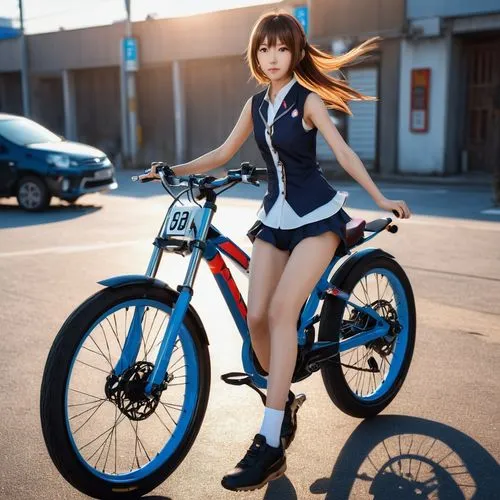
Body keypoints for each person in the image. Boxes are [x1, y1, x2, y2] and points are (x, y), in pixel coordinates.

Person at [141, 9, 411, 492]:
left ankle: (269, 443)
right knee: (257, 318)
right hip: (274, 220)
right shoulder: (256, 105)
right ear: (255, 53)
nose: (272, 57)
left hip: (316, 218)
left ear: (296, 52)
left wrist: (380, 198)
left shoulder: (307, 101)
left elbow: (343, 152)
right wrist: (172, 170)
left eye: (282, 48)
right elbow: (223, 153)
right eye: (264, 48)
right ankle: (282, 398)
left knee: (284, 313)